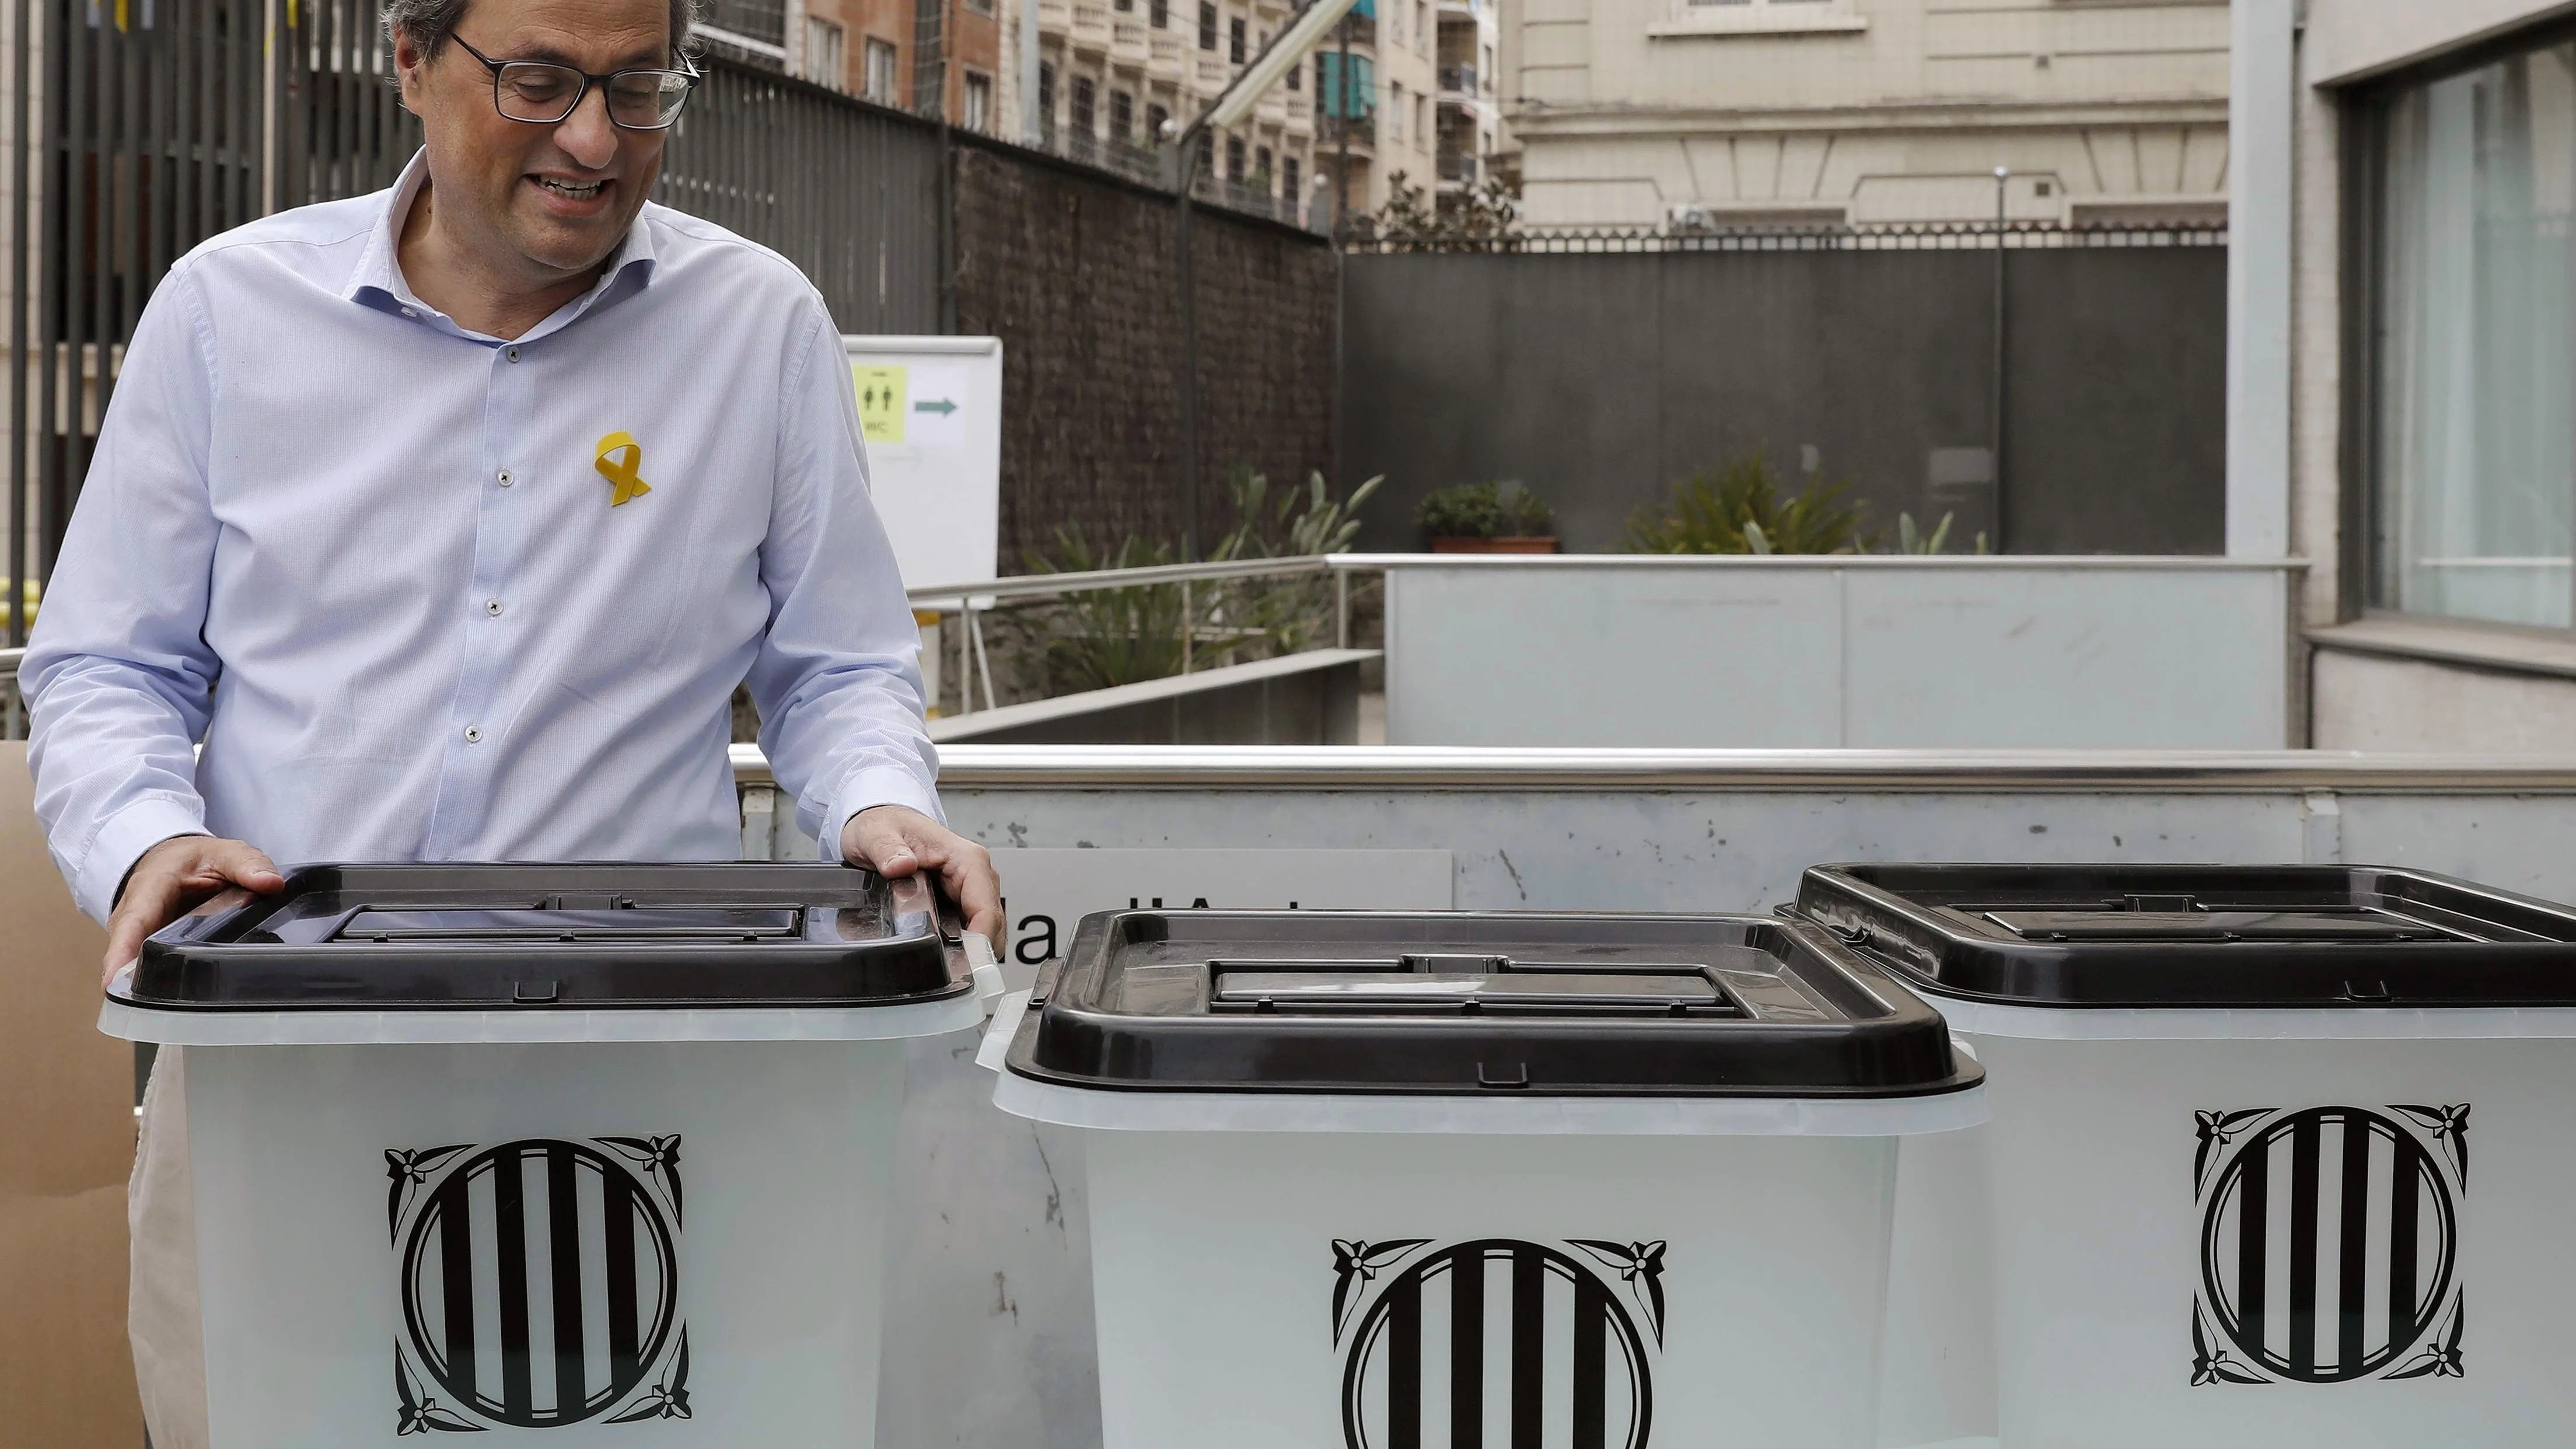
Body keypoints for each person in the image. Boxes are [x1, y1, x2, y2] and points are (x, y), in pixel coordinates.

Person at [20, 0, 1001, 1437]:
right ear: (412, 62)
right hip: (278, 1078)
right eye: (540, 81)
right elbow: (108, 662)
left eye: (636, 88)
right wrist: (144, 841)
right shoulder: (227, 312)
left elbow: (835, 663)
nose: (595, 141)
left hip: (648, 1085)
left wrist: (871, 800)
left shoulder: (759, 326)